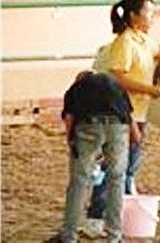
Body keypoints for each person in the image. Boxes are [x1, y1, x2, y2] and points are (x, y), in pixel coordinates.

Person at [82, 0, 160, 237]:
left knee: (128, 166)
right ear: (133, 16)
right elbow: (117, 77)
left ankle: (119, 212)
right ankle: (94, 216)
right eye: (148, 12)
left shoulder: (143, 40)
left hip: (138, 113)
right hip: (119, 113)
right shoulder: (124, 43)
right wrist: (150, 89)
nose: (152, 17)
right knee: (115, 165)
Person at [57, 71, 136, 243]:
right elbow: (129, 115)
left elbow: (69, 118)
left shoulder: (76, 88)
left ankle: (69, 236)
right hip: (117, 127)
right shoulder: (114, 84)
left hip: (88, 125)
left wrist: (71, 141)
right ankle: (114, 236)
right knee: (116, 179)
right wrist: (133, 137)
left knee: (79, 180)